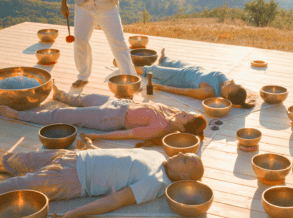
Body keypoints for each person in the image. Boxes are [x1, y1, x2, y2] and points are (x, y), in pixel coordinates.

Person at [0, 135, 204, 218]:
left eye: (185, 159)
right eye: (184, 153)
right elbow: (119, 158)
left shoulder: (155, 183)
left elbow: (115, 201)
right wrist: (91, 149)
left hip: (72, 179)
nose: (179, 153)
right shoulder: (158, 156)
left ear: (185, 178)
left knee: (14, 186)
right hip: (74, 156)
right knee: (13, 160)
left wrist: (73, 213)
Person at [0, 83, 207, 147]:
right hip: (120, 103)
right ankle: (61, 94)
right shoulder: (174, 112)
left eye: (186, 118)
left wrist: (98, 136)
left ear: (181, 128)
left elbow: (127, 135)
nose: (183, 114)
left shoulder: (160, 128)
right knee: (84, 97)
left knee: (63, 114)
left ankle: (18, 115)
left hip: (109, 118)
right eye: (187, 113)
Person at [136, 49, 255, 108]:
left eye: (232, 86)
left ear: (227, 96)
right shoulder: (225, 83)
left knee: (155, 71)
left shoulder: (208, 91)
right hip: (195, 69)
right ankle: (163, 60)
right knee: (176, 62)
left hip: (180, 77)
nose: (232, 81)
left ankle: (130, 67)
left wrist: (162, 87)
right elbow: (237, 94)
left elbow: (185, 91)